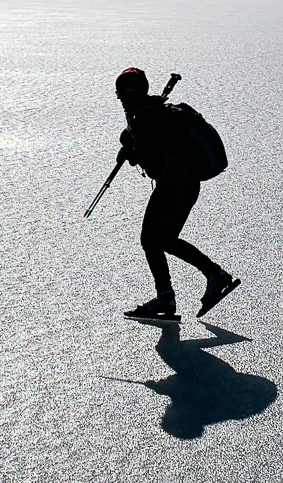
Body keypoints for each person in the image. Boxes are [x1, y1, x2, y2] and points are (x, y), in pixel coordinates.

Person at [114, 68, 240, 319]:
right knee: (164, 240)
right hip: (183, 185)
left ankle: (171, 296)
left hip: (176, 187)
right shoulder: (152, 112)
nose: (120, 101)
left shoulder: (148, 119)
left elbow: (155, 164)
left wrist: (133, 153)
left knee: (153, 240)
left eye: (121, 95)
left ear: (131, 94)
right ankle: (206, 278)